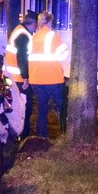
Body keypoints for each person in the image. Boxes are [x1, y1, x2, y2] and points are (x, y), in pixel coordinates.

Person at [28, 10, 68, 139]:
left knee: (42, 107)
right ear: (50, 22)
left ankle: (42, 135)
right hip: (52, 78)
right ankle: (66, 132)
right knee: (62, 106)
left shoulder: (33, 37)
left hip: (36, 79)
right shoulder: (52, 36)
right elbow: (64, 53)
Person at [4, 9, 38, 139]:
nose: (36, 27)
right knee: (25, 106)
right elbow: (22, 58)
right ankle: (23, 134)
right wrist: (26, 78)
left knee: (16, 105)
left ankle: (17, 132)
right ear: (33, 23)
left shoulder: (18, 30)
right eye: (36, 24)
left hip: (13, 76)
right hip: (19, 78)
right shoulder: (23, 35)